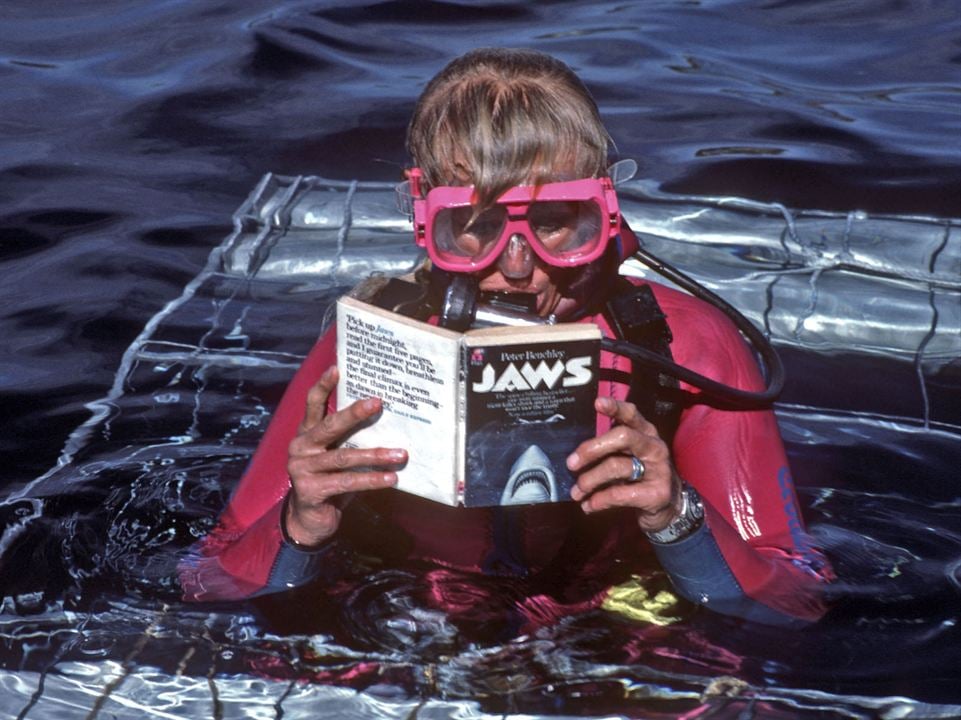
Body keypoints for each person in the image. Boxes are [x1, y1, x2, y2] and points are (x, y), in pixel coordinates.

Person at [180, 47, 833, 629]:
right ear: (423, 219)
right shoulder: (375, 342)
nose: (517, 267)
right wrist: (303, 523)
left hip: (609, 614)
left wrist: (675, 514)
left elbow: (794, 598)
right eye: (476, 226)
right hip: (409, 610)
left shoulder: (688, 350)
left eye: (556, 222)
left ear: (606, 214)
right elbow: (208, 580)